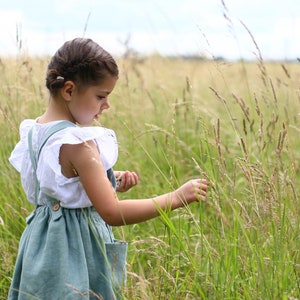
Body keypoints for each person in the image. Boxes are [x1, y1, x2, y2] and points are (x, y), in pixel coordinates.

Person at [8, 37, 209, 300]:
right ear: (69, 90)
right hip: (75, 250)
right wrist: (176, 197)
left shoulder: (34, 131)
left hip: (42, 246)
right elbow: (112, 213)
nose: (107, 105)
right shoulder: (79, 144)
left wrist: (106, 179)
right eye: (101, 96)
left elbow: (57, 185)